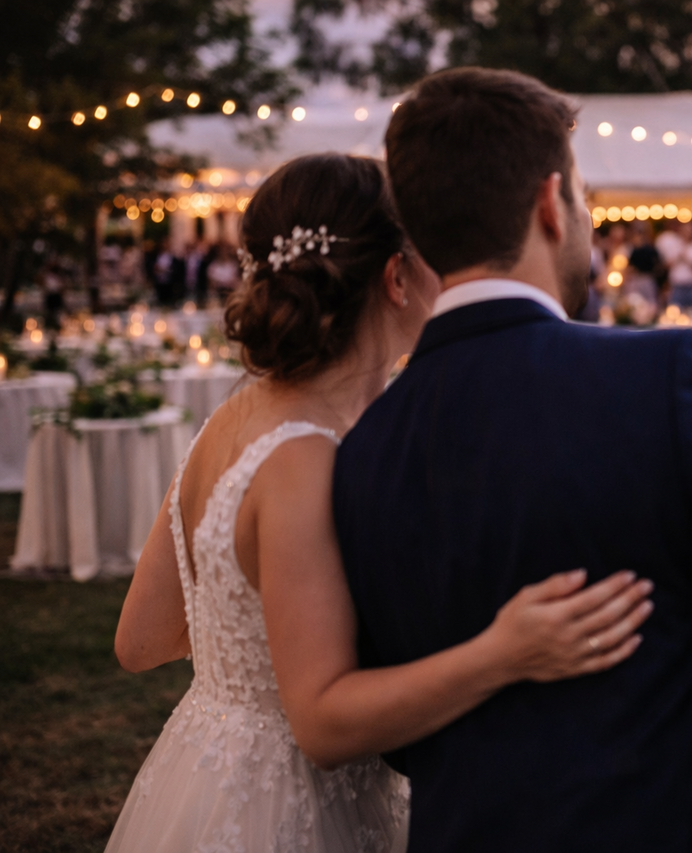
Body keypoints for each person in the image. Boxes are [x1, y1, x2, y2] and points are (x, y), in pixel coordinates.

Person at [334, 67, 692, 853]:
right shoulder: (671, 378)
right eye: (585, 197)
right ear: (551, 205)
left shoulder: (363, 450)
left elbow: (400, 734)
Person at [106, 153, 652, 853]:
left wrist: (255, 645)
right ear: (396, 277)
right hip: (292, 810)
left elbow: (140, 639)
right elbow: (324, 727)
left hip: (204, 777)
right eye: (433, 257)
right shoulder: (312, 460)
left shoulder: (233, 418)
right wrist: (505, 651)